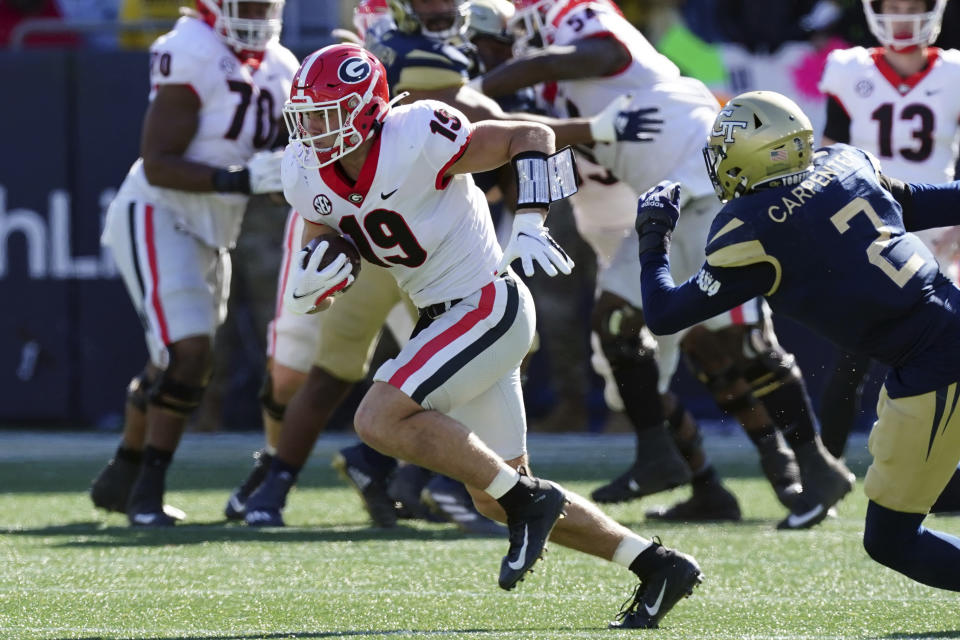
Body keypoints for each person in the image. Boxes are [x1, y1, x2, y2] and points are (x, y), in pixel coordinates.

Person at [279, 41, 703, 629]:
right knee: (495, 492)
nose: (317, 133)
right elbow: (327, 230)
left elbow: (530, 135)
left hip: (486, 303)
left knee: (377, 419)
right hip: (445, 319)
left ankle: (531, 503)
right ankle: (656, 565)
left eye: (329, 116)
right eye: (307, 120)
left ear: (371, 108)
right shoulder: (303, 169)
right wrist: (313, 276)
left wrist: (530, 220)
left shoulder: (417, 131)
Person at [232, 0, 658, 530]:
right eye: (489, 40)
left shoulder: (426, 92)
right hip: (390, 254)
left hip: (436, 252)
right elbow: (494, 122)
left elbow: (510, 142)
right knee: (366, 374)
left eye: (497, 39)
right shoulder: (416, 73)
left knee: (430, 373)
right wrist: (591, 129)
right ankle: (315, 479)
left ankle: (404, 478)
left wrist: (527, 210)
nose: (494, 49)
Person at [470, 0, 854, 527]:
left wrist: (483, 87)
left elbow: (591, 54)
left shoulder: (579, 24)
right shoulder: (545, 93)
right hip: (658, 202)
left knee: (737, 344)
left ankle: (807, 466)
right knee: (631, 329)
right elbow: (539, 135)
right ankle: (676, 462)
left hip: (704, 180)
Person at [636, 88, 960, 587]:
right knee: (935, 488)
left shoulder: (749, 229)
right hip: (947, 321)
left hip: (935, 369)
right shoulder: (846, 165)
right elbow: (919, 203)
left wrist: (654, 235)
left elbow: (663, 313)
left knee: (892, 538)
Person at [89, 0, 297, 527]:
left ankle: (124, 472)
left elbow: (282, 156)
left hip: (214, 227)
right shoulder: (190, 47)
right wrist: (240, 178)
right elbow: (158, 162)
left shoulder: (282, 65)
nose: (257, 11)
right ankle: (146, 494)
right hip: (159, 213)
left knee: (179, 358)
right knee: (189, 350)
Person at [817, 0, 960, 459]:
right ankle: (828, 470)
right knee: (852, 360)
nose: (902, 16)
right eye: (893, 6)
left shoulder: (954, 72)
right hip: (871, 235)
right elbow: (829, 154)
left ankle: (941, 464)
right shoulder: (849, 70)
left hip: (940, 229)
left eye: (911, 6)